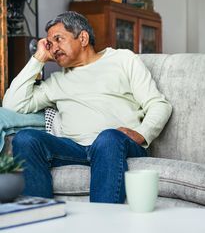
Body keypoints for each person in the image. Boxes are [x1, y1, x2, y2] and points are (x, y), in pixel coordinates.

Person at [2, 11, 172, 203]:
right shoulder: (56, 81)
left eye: (58, 39)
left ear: (82, 37)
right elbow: (12, 104)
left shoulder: (123, 60)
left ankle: (101, 227)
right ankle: (39, 217)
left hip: (117, 143)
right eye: (50, 43)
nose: (54, 48)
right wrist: (38, 58)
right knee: (26, 138)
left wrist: (142, 133)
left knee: (107, 137)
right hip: (74, 148)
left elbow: (159, 104)